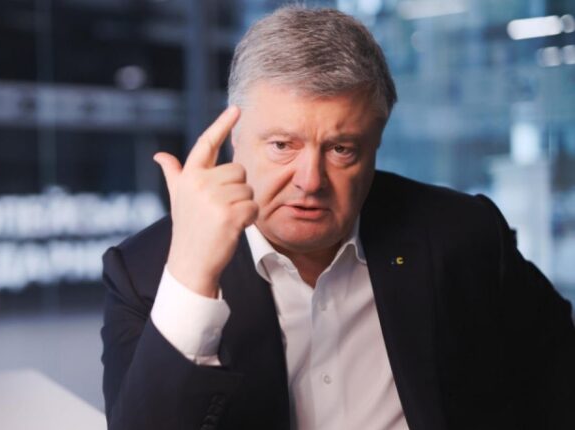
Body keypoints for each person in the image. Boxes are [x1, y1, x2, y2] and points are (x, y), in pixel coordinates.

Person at [100, 6, 575, 430]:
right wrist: (192, 277)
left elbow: (558, 378)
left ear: (376, 144)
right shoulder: (147, 272)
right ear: (234, 140)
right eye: (282, 145)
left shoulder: (462, 234)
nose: (310, 181)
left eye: (341, 149)